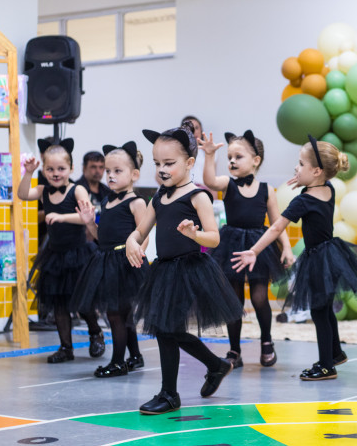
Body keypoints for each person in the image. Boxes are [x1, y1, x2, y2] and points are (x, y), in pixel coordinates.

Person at [232, 136, 357, 381]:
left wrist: (254, 250)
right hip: (332, 253)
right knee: (325, 307)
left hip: (318, 259)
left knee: (319, 312)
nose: (296, 169)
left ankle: (326, 366)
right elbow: (312, 192)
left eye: (300, 164)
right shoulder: (327, 188)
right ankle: (335, 352)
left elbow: (276, 228)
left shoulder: (304, 200)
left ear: (317, 170)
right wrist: (304, 183)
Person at [126, 123, 243, 414]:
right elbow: (141, 230)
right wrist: (132, 241)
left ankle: (170, 393)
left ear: (189, 163)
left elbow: (213, 236)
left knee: (168, 329)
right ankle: (214, 366)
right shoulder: (158, 197)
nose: (162, 169)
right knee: (167, 330)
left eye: (169, 163)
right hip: (164, 270)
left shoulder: (198, 196)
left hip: (189, 271)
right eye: (157, 163)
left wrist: (194, 235)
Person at [200, 130, 294, 368]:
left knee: (260, 296)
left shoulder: (267, 189)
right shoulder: (227, 184)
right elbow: (210, 181)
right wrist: (210, 156)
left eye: (238, 156)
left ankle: (266, 341)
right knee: (234, 299)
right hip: (231, 244)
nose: (232, 161)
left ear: (256, 160)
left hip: (258, 246)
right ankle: (234, 349)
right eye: (230, 157)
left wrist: (287, 248)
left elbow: (277, 223)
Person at [18, 137, 106, 363]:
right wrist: (28, 173)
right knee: (59, 305)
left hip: (78, 255)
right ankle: (65, 347)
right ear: (44, 170)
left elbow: (87, 217)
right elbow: (22, 194)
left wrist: (61, 216)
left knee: (83, 302)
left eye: (61, 168)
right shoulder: (43, 190)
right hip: (55, 257)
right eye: (50, 169)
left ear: (71, 168)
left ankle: (96, 333)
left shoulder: (77, 191)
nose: (55, 173)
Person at [71, 141, 149, 377]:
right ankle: (134, 356)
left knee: (116, 313)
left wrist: (137, 256)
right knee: (122, 313)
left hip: (126, 263)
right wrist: (89, 222)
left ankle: (117, 362)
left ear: (134, 175)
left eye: (118, 171)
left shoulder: (136, 202)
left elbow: (143, 233)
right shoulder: (107, 201)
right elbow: (100, 237)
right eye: (108, 171)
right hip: (106, 260)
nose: (111, 176)